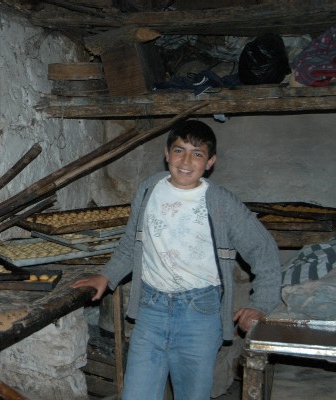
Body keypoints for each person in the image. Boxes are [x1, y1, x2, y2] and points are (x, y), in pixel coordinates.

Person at [71, 119, 282, 399]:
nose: (186, 160)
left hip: (200, 314)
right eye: (179, 150)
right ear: (167, 153)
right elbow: (132, 245)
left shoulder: (221, 202)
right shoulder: (148, 190)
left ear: (210, 162)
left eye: (197, 153)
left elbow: (263, 250)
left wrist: (260, 304)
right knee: (137, 393)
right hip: (151, 310)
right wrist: (106, 276)